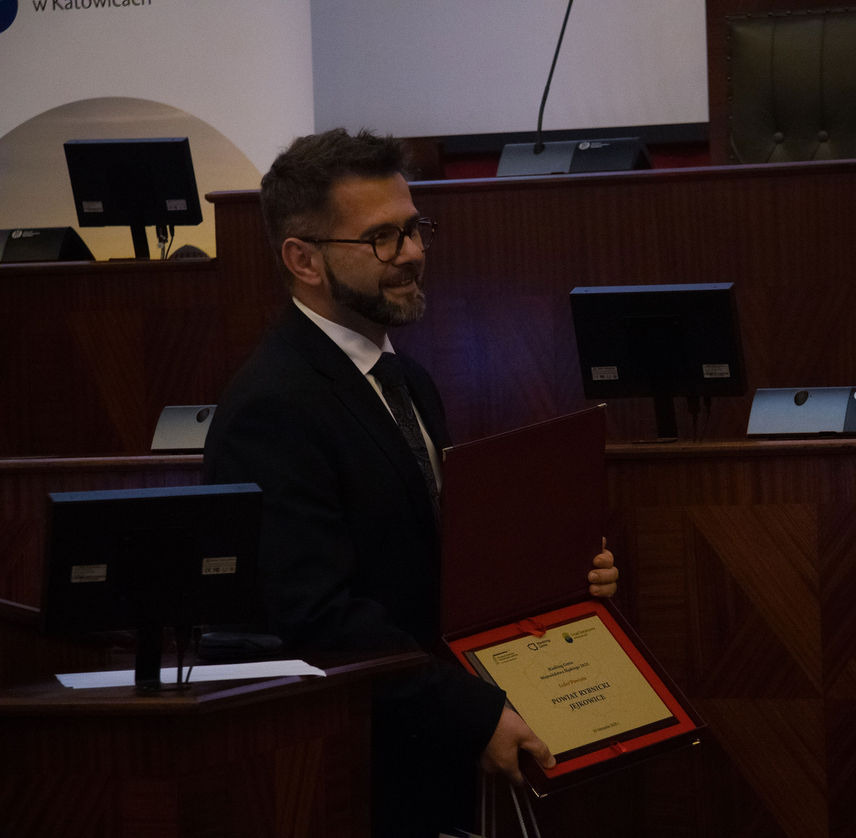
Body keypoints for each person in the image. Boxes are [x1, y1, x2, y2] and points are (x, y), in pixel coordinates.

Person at [203, 127, 618, 837]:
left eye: (415, 229)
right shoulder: (271, 407)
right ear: (303, 259)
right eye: (381, 238)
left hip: (431, 753)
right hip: (358, 778)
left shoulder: (408, 379)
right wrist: (471, 715)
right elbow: (318, 618)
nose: (413, 253)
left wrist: (561, 575)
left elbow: (436, 559)